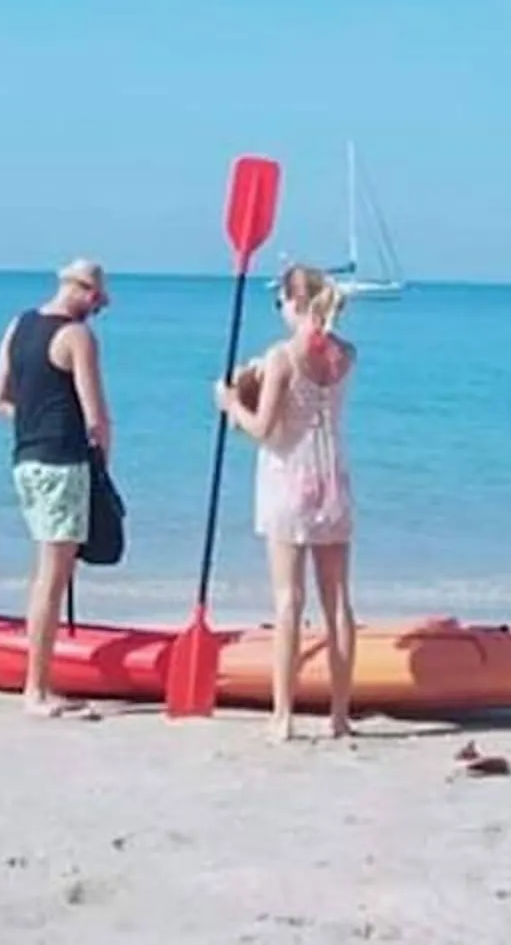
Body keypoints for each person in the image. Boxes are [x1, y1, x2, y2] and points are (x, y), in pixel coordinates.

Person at [215, 261, 358, 741]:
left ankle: (283, 716)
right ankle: (339, 715)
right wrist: (252, 378)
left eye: (280, 301)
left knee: (287, 601)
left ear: (295, 302)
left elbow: (263, 429)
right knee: (337, 601)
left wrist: (231, 402)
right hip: (333, 479)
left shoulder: (282, 356)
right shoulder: (346, 355)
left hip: (289, 479)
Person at [0, 258, 114, 719]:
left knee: (49, 570)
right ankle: (36, 689)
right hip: (62, 462)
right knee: (53, 576)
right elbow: (96, 416)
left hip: (26, 461)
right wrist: (103, 469)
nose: (99, 309)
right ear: (80, 290)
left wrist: (35, 416)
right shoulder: (77, 337)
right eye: (98, 300)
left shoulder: (18, 326)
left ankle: (40, 678)